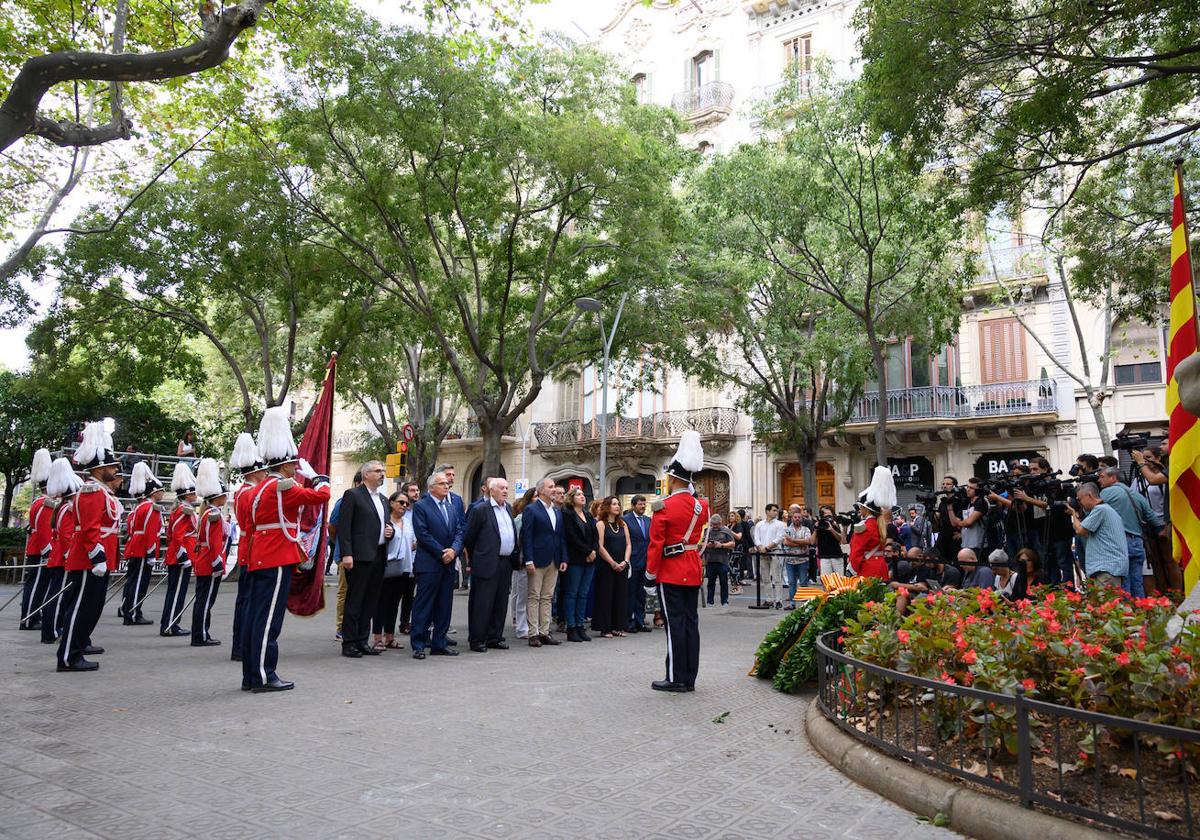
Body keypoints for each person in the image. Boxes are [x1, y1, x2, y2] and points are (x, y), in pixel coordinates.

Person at [242, 405, 331, 692]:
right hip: (277, 555)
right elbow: (321, 496)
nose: (296, 467)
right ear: (283, 465)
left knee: (256, 617)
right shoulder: (282, 487)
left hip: (260, 554)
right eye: (293, 463)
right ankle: (264, 676)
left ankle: (252, 675)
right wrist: (318, 476)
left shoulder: (257, 488)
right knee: (269, 620)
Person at [646, 430, 710, 693]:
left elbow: (656, 545)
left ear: (672, 478)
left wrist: (650, 574)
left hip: (671, 571)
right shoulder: (701, 506)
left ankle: (675, 677)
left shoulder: (664, 506)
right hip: (693, 567)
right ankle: (690, 677)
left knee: (674, 625)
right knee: (691, 623)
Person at [57, 422, 122, 672]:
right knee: (80, 608)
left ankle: (77, 648)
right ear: (99, 468)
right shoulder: (93, 491)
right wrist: (97, 557)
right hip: (89, 560)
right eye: (111, 466)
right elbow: (88, 528)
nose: (115, 469)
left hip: (96, 559)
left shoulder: (102, 492)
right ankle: (68, 657)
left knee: (91, 608)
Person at [337, 460, 394, 659]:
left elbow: (386, 525)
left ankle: (362, 640)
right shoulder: (353, 495)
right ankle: (349, 642)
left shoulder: (384, 500)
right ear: (366, 474)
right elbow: (344, 527)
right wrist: (347, 554)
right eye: (378, 471)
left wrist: (390, 531)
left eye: (383, 471)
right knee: (355, 601)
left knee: (370, 601)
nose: (382, 474)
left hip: (378, 554)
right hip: (359, 557)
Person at [410, 471, 465, 659]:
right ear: (431, 487)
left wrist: (454, 550)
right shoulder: (421, 507)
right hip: (430, 563)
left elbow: (459, 532)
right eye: (442, 483)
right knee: (424, 605)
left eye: (447, 484)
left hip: (448, 563)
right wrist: (442, 552)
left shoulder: (451, 508)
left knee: (444, 605)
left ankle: (439, 643)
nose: (446, 486)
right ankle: (419, 643)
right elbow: (422, 534)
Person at [462, 477, 516, 652]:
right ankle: (477, 639)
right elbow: (469, 538)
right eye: (501, 488)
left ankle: (495, 636)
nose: (505, 491)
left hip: (505, 562)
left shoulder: (508, 508)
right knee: (482, 603)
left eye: (507, 488)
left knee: (501, 602)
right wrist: (475, 558)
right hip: (486, 562)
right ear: (491, 490)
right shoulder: (480, 510)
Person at [229, 432, 268, 663]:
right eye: (262, 470)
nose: (265, 474)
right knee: (247, 601)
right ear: (254, 472)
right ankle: (241, 646)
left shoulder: (244, 491)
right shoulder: (250, 492)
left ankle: (241, 645)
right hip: (251, 548)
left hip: (249, 546)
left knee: (246, 600)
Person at [1097, 465, 1163, 598]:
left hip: (1119, 544)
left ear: (1113, 478)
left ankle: (1128, 616)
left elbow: (1092, 513)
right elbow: (1152, 518)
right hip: (1138, 542)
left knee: (1124, 582)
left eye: (1102, 477)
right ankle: (1140, 610)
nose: (1099, 480)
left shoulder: (1105, 493)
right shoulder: (1136, 494)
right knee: (1137, 581)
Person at [520, 477, 566, 647]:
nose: (554, 489)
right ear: (541, 490)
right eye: (551, 487)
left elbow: (560, 537)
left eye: (554, 486)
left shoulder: (556, 511)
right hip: (537, 559)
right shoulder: (531, 510)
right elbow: (527, 536)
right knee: (534, 596)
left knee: (547, 597)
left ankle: (544, 632)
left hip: (554, 559)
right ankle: (533, 633)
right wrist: (529, 559)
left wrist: (563, 558)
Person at [42, 457, 80, 646]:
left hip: (59, 554)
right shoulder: (67, 508)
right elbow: (67, 536)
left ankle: (53, 628)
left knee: (57, 593)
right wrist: (69, 555)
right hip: (63, 556)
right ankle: (52, 631)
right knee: (58, 597)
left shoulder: (62, 507)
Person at [121, 461, 164, 626]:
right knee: (139, 582)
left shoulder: (139, 507)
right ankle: (133, 613)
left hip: (136, 547)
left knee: (132, 581)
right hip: (142, 549)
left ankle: (128, 609)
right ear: (153, 492)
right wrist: (151, 552)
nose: (162, 494)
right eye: (160, 491)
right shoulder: (150, 507)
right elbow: (150, 532)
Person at [191, 458, 228, 647]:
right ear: (216, 496)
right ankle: (201, 634)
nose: (226, 497)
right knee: (205, 600)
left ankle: (200, 633)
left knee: (203, 598)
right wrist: (217, 562)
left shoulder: (208, 512)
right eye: (224, 495)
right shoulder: (213, 515)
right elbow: (214, 542)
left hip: (204, 559)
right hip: (209, 560)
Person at [372, 491, 415, 650]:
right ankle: (377, 637)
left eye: (406, 503)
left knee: (394, 603)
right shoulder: (384, 522)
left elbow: (412, 542)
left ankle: (389, 636)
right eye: (401, 502)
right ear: (391, 503)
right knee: (381, 603)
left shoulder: (408, 522)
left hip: (403, 568)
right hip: (386, 568)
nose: (404, 506)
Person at [160, 462, 198, 638]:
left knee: (175, 591)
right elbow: (177, 536)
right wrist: (183, 556)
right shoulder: (185, 511)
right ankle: (171, 624)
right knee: (177, 592)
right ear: (187, 493)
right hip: (180, 556)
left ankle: (170, 623)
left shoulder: (182, 509)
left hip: (178, 555)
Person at [1070, 482, 1129, 591]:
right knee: (1111, 605)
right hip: (1110, 568)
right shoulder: (1108, 510)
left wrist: (1073, 513)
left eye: (1079, 499)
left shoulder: (1100, 510)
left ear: (1090, 496)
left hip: (1106, 569)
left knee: (1106, 606)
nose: (1079, 503)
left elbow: (1080, 530)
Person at [19, 448, 52, 631]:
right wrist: (48, 552)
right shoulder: (45, 504)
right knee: (36, 586)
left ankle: (32, 615)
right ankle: (29, 618)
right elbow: (43, 531)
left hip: (39, 549)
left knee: (38, 586)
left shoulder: (39, 502)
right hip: (40, 550)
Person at [328, 470, 362, 640]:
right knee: (345, 592)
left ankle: (356, 628)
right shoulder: (343, 503)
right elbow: (332, 527)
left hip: (364, 556)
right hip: (345, 556)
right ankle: (341, 628)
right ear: (357, 483)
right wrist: (341, 546)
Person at [561, 486, 597, 643]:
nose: (582, 496)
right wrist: (587, 551)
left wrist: (594, 550)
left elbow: (595, 535)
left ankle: (580, 626)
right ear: (571, 498)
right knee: (572, 593)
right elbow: (572, 536)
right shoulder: (567, 514)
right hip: (576, 558)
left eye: (583, 494)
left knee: (583, 594)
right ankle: (572, 627)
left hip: (590, 559)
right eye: (578, 494)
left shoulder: (588, 515)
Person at [592, 495, 631, 638]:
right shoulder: (601, 524)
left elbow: (628, 544)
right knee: (606, 596)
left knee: (620, 595)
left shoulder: (622, 524)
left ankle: (618, 626)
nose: (617, 506)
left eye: (618, 504)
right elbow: (600, 546)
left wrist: (625, 561)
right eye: (614, 504)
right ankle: (605, 628)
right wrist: (612, 563)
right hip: (606, 565)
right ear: (607, 507)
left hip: (622, 564)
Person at [848, 467, 895, 581]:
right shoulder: (880, 524)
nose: (860, 509)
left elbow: (856, 553)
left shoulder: (864, 527)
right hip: (881, 568)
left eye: (861, 507)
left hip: (867, 570)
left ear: (866, 509)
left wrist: (852, 571)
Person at [510, 487, 537, 640]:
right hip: (523, 561)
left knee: (534, 596)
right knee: (522, 595)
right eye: (535, 496)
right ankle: (521, 627)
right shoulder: (521, 518)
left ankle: (533, 624)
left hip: (539, 561)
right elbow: (518, 541)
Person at [624, 495, 652, 632]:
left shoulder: (648, 520)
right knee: (630, 593)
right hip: (633, 561)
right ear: (634, 505)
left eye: (644, 504)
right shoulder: (625, 520)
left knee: (642, 594)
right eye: (640, 504)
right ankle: (629, 622)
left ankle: (640, 621)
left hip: (646, 561)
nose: (643, 506)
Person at [752, 504, 786, 608]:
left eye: (777, 511)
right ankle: (769, 599)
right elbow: (756, 537)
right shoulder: (759, 524)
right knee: (765, 577)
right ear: (767, 511)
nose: (776, 512)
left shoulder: (780, 524)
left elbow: (779, 538)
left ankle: (779, 600)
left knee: (777, 577)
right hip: (762, 553)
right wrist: (760, 546)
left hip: (775, 552)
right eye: (774, 510)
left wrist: (767, 548)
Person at [781, 508, 813, 608]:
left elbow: (808, 541)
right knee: (791, 582)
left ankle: (805, 604)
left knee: (803, 582)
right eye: (795, 517)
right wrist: (800, 542)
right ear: (792, 518)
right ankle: (792, 603)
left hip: (803, 560)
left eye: (799, 517)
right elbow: (786, 542)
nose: (797, 519)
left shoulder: (806, 530)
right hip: (790, 560)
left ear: (802, 519)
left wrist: (792, 541)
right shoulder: (787, 530)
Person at [703, 514, 736, 606]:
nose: (715, 526)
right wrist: (707, 545)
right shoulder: (707, 531)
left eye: (716, 524)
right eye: (713, 524)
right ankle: (710, 601)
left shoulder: (726, 531)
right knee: (710, 582)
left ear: (720, 523)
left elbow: (733, 544)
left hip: (722, 560)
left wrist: (722, 545)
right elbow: (701, 543)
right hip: (710, 560)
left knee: (723, 582)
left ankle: (724, 601)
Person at [814, 506, 846, 577]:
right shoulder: (819, 524)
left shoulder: (835, 524)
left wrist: (832, 529)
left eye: (829, 515)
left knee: (840, 580)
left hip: (836, 556)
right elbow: (812, 542)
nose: (827, 517)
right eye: (824, 514)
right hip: (824, 556)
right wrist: (816, 528)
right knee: (826, 581)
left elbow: (840, 540)